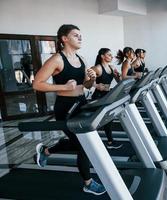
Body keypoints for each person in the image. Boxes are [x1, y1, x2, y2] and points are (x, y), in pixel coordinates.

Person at [32, 24, 106, 195]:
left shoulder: (81, 59)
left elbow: (85, 85)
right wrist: (64, 87)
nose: (80, 38)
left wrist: (91, 80)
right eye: (75, 35)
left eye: (80, 35)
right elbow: (37, 84)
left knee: (80, 142)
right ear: (64, 39)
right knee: (83, 146)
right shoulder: (56, 59)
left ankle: (46, 151)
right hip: (65, 107)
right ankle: (88, 183)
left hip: (81, 103)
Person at [90, 48, 122, 149]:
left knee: (109, 119)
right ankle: (107, 141)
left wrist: (118, 76)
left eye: (111, 55)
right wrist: (96, 85)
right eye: (109, 55)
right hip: (98, 96)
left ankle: (109, 141)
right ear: (102, 56)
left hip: (107, 95)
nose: (111, 57)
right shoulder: (97, 68)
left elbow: (118, 81)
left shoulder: (112, 67)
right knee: (101, 120)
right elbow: (86, 81)